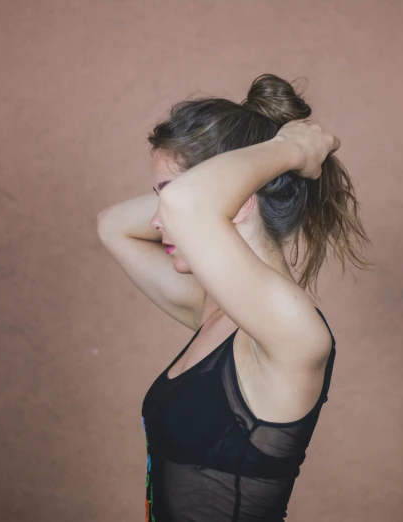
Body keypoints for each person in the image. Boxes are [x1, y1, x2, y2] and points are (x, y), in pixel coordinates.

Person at [97, 73, 372, 522]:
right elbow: (112, 225)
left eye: (165, 200)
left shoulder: (291, 329)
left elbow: (187, 206)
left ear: (238, 199)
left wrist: (293, 151)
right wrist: (195, 194)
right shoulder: (215, 310)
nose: (159, 219)